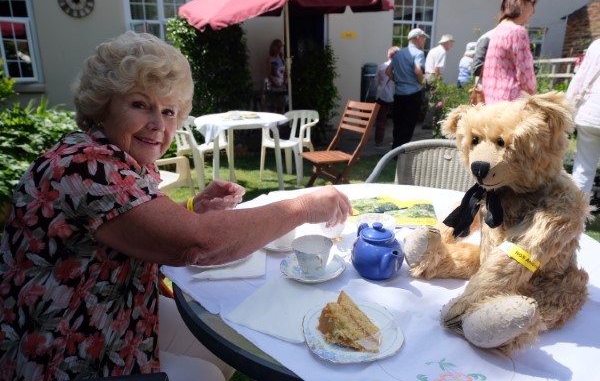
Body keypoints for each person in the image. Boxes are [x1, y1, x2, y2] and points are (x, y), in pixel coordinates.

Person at [0, 31, 352, 380]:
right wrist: (303, 207)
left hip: (107, 307)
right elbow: (197, 244)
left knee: (226, 341)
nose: (158, 125)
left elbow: (129, 223)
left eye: (169, 111)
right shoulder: (85, 166)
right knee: (205, 374)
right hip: (58, 347)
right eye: (140, 104)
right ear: (103, 104)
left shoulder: (118, 158)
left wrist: (190, 211)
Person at [482, 0, 539, 104]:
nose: (534, 10)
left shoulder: (499, 30)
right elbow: (526, 74)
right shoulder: (517, 31)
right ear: (521, 2)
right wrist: (536, 98)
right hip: (511, 106)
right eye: (533, 3)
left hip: (491, 103)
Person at [567, 38, 600, 196]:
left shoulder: (596, 46)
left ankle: (575, 215)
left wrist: (568, 106)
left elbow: (580, 80)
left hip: (590, 113)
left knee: (583, 168)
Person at [386, 28, 428, 149]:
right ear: (417, 38)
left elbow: (388, 71)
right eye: (423, 38)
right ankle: (401, 153)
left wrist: (398, 80)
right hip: (412, 94)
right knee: (408, 125)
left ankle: (394, 151)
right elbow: (418, 70)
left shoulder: (398, 54)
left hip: (398, 93)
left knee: (398, 124)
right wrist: (423, 83)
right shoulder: (418, 53)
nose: (424, 41)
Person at [374, 46, 400, 147]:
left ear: (388, 55)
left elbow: (376, 81)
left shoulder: (381, 66)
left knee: (381, 119)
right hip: (395, 95)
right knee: (397, 119)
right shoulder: (398, 67)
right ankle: (396, 140)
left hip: (381, 94)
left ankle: (378, 141)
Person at [264, 38, 287, 113]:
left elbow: (285, 72)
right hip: (273, 87)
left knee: (281, 106)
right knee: (273, 107)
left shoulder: (282, 59)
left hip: (282, 87)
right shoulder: (270, 59)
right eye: (278, 46)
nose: (280, 48)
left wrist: (285, 81)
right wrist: (275, 83)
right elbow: (268, 73)